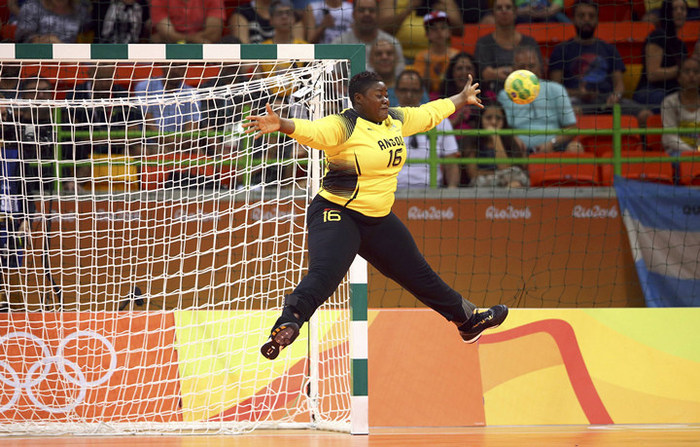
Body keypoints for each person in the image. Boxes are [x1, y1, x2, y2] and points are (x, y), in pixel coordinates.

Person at [243, 70, 509, 360]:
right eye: (378, 95)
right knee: (325, 274)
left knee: (420, 275)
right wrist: (282, 124)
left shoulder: (394, 119)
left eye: (385, 94)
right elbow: (313, 131)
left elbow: (429, 113)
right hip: (337, 212)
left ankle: (468, 322)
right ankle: (288, 323)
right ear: (358, 99)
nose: (385, 99)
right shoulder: (343, 125)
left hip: (377, 218)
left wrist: (462, 97)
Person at [548, 0, 652, 125]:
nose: (586, 19)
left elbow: (619, 84)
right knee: (571, 114)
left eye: (591, 16)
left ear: (597, 20)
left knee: (646, 115)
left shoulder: (609, 49)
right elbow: (556, 89)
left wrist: (616, 96)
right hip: (577, 101)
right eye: (581, 15)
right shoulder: (561, 50)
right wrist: (578, 93)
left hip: (608, 101)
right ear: (573, 19)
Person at [498, 46, 582, 154]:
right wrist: (514, 141)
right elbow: (502, 128)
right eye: (522, 67)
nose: (527, 70)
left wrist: (552, 143)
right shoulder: (505, 94)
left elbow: (572, 128)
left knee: (576, 148)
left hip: (554, 146)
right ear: (514, 70)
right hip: (517, 149)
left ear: (539, 68)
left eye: (531, 66)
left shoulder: (556, 89)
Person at [394, 70, 460, 188]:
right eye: (404, 90)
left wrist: (452, 190)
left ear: (421, 92)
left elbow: (451, 161)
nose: (409, 95)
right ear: (396, 92)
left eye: (414, 91)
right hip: (392, 190)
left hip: (431, 190)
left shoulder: (440, 119)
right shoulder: (385, 120)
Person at [475, 0, 542, 99]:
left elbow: (538, 72)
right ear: (493, 13)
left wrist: (500, 72)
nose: (504, 11)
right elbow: (485, 74)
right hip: (493, 96)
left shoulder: (529, 42)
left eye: (508, 7)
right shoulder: (484, 43)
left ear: (515, 12)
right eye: (499, 8)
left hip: (527, 92)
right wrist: (519, 71)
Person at [133, 63, 202, 155]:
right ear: (163, 65)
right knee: (149, 150)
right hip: (151, 143)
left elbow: (191, 129)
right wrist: (170, 144)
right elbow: (150, 126)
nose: (176, 70)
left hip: (181, 145)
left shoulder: (192, 94)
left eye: (181, 66)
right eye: (173, 65)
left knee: (199, 152)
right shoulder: (145, 87)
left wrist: (179, 144)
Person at [634, 0, 689, 113]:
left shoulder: (681, 45)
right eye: (674, 9)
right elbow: (652, 74)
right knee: (668, 101)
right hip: (650, 90)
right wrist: (682, 70)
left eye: (683, 9)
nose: (679, 12)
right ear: (666, 12)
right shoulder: (657, 36)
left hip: (672, 90)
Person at [330, 0, 405, 75]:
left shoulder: (392, 42)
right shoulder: (339, 44)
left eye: (371, 10)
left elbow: (399, 74)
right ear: (353, 14)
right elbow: (332, 76)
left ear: (378, 14)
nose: (367, 14)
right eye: (361, 10)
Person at [376, 0, 463, 64]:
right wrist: (409, 8)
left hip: (439, 56)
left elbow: (460, 31)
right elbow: (382, 29)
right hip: (402, 58)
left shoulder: (444, 2)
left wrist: (445, 14)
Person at [439, 52, 480, 185]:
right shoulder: (439, 99)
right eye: (459, 68)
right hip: (447, 149)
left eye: (468, 68)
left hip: (477, 147)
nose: (464, 72)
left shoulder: (486, 96)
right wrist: (455, 121)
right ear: (452, 72)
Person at [466, 101, 529, 187]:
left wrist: (496, 138)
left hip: (509, 181)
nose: (494, 122)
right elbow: (473, 173)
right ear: (481, 120)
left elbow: (508, 169)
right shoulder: (472, 140)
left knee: (516, 178)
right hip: (483, 183)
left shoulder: (510, 139)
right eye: (488, 118)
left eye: (498, 118)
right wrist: (498, 174)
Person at [412, 11, 460, 99]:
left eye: (443, 27)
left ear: (449, 32)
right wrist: (427, 65)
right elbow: (422, 87)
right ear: (427, 34)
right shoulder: (421, 56)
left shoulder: (457, 55)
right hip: (427, 98)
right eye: (434, 29)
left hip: (452, 96)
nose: (439, 32)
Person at [661, 57, 700, 155]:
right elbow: (670, 137)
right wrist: (693, 153)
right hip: (677, 152)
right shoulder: (669, 102)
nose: (691, 75)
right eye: (687, 71)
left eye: (696, 72)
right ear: (679, 78)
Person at [14, 0, 91, 43]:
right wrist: (40, 40)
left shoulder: (81, 11)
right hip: (38, 59)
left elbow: (88, 36)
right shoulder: (31, 7)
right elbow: (22, 38)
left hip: (71, 60)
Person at [150, 0, 225, 43]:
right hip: (173, 45)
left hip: (207, 44)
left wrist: (186, 39)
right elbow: (167, 34)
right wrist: (193, 39)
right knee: (157, 40)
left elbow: (214, 34)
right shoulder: (158, 1)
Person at [230, 0, 304, 43]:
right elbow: (243, 51)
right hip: (257, 61)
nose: (284, 17)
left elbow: (298, 46)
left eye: (288, 13)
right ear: (271, 20)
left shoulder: (290, 10)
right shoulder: (242, 12)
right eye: (279, 14)